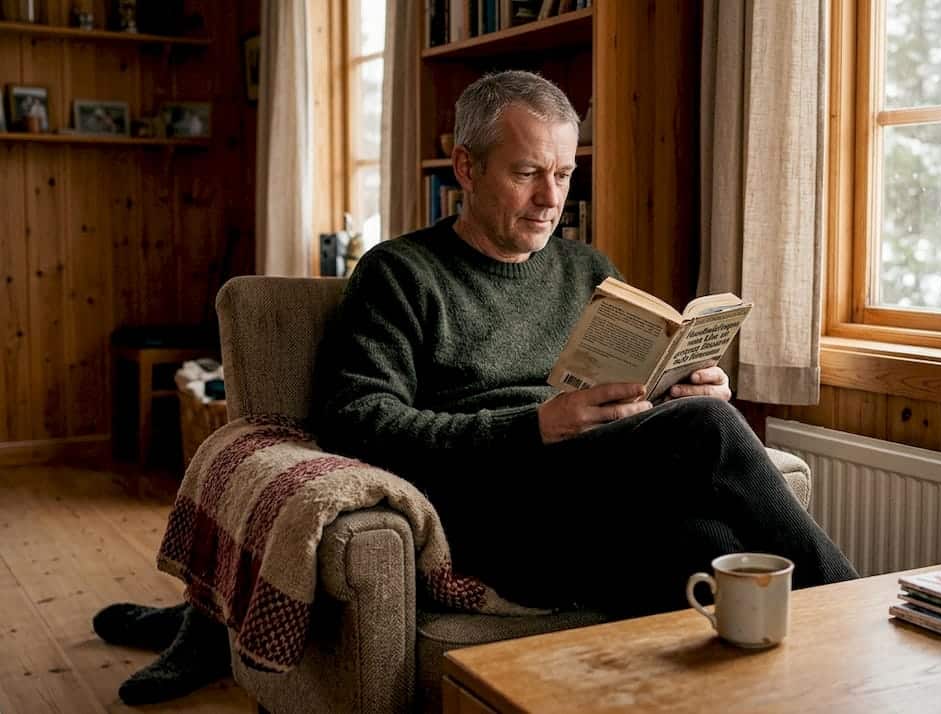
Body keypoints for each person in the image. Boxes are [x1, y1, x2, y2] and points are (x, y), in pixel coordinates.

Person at [92, 69, 857, 704]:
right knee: (712, 435)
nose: (550, 198)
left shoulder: (589, 270)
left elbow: (620, 397)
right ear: (465, 168)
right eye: (527, 173)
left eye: (563, 174)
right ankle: (861, 614)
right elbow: (356, 418)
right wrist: (534, 428)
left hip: (593, 490)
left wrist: (677, 386)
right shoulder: (401, 273)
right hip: (489, 505)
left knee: (708, 546)